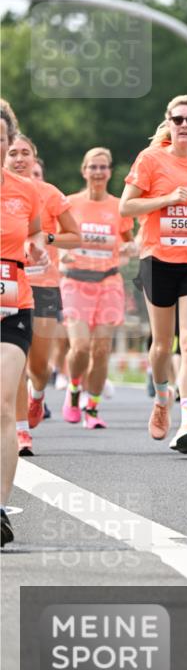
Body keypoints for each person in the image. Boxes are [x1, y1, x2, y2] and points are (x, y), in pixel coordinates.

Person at [120, 95, 187, 455]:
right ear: (168, 121)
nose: (184, 125)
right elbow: (126, 206)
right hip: (158, 257)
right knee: (163, 345)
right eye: (177, 119)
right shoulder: (151, 160)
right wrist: (165, 200)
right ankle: (162, 398)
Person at [5, 135, 80, 455]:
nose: (20, 158)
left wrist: (44, 240)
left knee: (39, 365)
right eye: (13, 153)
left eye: (26, 153)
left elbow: (73, 235)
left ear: (35, 158)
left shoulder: (46, 193)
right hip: (9, 284)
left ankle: (38, 395)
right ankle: (21, 432)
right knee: (15, 364)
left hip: (44, 285)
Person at [60, 147, 136, 429]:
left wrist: (130, 248)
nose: (98, 172)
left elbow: (128, 241)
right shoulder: (69, 204)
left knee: (101, 350)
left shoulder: (118, 207)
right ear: (84, 171)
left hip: (108, 282)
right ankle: (74, 388)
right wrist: (59, 254)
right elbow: (57, 238)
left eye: (103, 167)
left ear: (110, 171)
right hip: (76, 281)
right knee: (79, 347)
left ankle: (92, 408)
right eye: (93, 167)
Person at [0, 100, 47, 546]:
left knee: (2, 405)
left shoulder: (25, 190)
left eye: (1, 139)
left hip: (13, 301)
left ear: (10, 143)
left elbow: (35, 232)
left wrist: (37, 246)